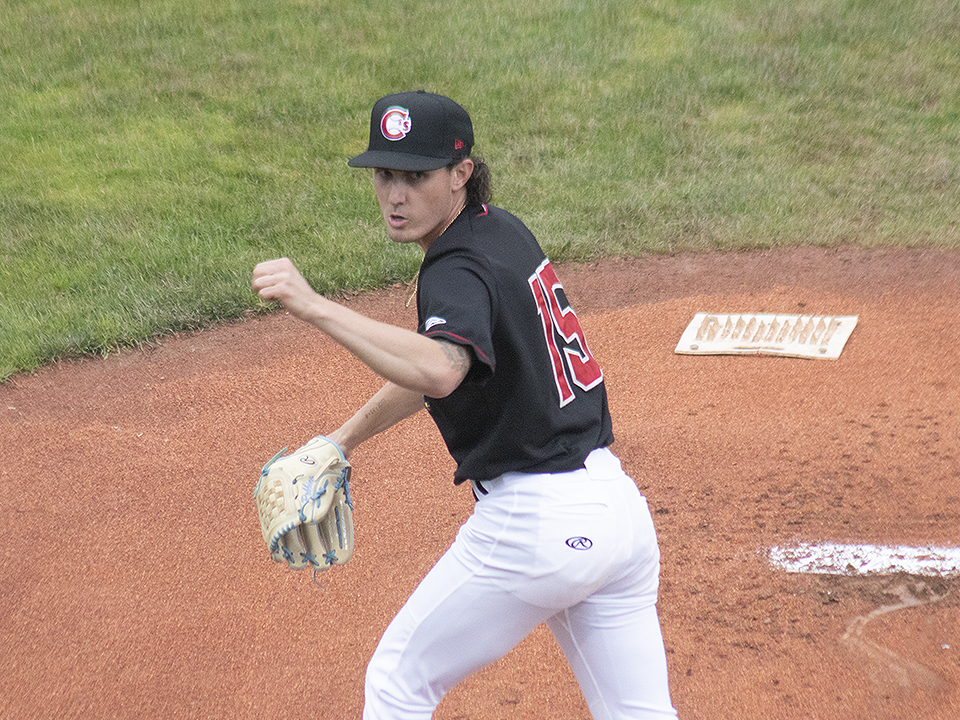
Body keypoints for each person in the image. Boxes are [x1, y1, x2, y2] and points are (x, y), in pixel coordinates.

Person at [252, 90, 677, 720]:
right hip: (617, 518)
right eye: (385, 176)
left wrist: (313, 305)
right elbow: (443, 363)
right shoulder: (500, 231)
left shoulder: (452, 271)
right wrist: (342, 439)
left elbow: (440, 368)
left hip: (536, 527)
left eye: (416, 177)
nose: (396, 196)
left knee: (397, 683)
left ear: (460, 174)